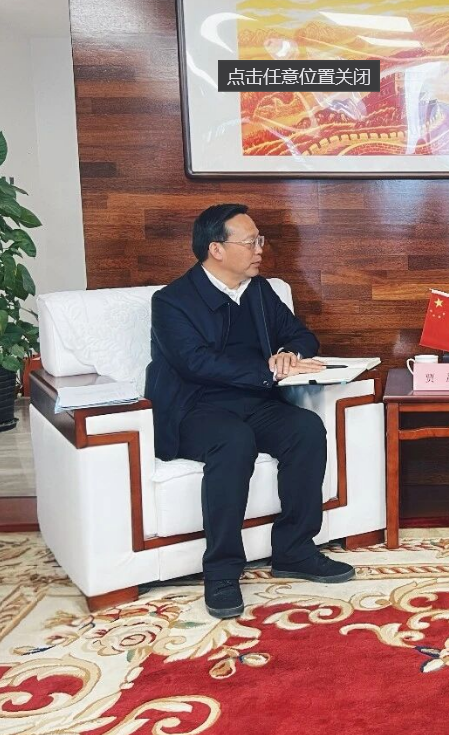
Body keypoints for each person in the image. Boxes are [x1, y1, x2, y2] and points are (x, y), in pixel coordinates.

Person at [145, 203, 354, 620]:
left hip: (255, 402)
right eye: (251, 241)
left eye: (260, 240)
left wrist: (289, 353)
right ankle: (221, 572)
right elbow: (194, 363)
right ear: (216, 249)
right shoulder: (171, 301)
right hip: (194, 409)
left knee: (306, 429)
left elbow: (301, 335)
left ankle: (295, 550)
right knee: (233, 441)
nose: (260, 249)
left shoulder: (259, 291)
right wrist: (267, 371)